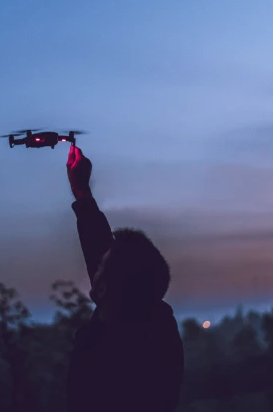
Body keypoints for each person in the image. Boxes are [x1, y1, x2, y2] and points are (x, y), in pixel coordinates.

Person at [65, 145, 185, 412]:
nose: (95, 269)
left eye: (101, 268)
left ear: (105, 288)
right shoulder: (151, 324)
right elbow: (119, 269)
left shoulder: (114, 359)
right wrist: (82, 193)